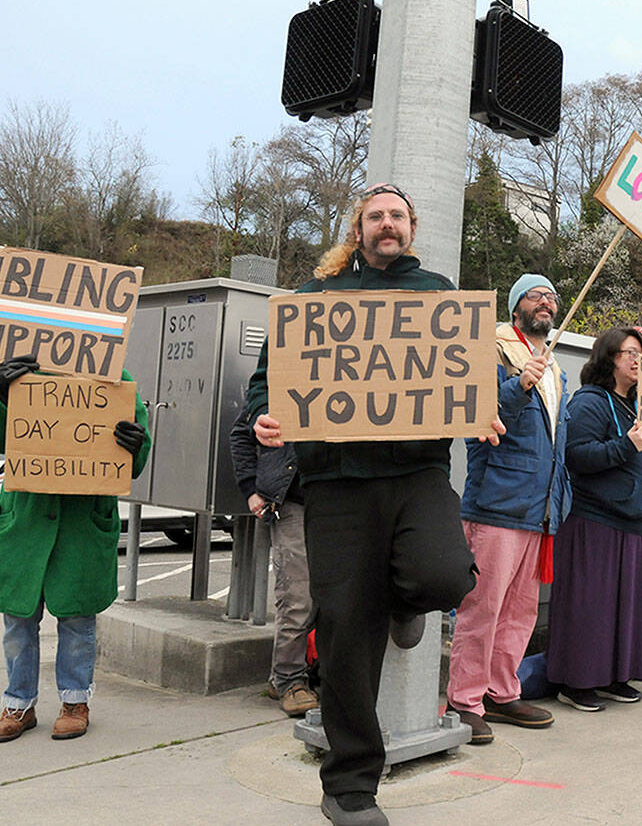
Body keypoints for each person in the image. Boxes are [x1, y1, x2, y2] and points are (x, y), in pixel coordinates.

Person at [245, 184, 482, 826]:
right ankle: (350, 788)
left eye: (397, 215)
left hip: (418, 472)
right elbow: (266, 383)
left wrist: (482, 406)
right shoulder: (313, 303)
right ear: (358, 228)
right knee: (346, 631)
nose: (387, 224)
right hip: (337, 483)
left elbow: (469, 373)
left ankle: (404, 602)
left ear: (411, 227)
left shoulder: (438, 293)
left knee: (443, 574)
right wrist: (266, 417)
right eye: (375, 215)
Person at [0, 356, 150, 744]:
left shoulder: (116, 380)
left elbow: (134, 460)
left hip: (81, 526)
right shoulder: (24, 375)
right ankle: (18, 704)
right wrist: (1, 393)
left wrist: (136, 444)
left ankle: (75, 702)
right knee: (18, 624)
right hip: (25, 523)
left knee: (77, 623)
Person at [447, 273, 570, 745]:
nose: (546, 302)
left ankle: (501, 689)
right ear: (517, 307)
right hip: (498, 503)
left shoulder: (553, 367)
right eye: (536, 295)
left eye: (552, 297)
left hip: (538, 509)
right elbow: (475, 417)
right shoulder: (491, 350)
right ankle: (465, 699)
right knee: (483, 608)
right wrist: (517, 386)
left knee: (519, 611)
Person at [547, 326, 642, 712]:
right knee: (593, 609)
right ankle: (577, 683)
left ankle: (615, 676)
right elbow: (577, 456)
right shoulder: (590, 402)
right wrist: (626, 444)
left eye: (641, 353)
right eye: (629, 353)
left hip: (639, 526)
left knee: (627, 611)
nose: (638, 360)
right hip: (598, 523)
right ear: (609, 359)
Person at [229, 410, 317, 718]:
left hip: (337, 501)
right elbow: (241, 433)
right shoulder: (279, 380)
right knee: (297, 597)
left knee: (328, 596)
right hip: (293, 502)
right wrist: (250, 489)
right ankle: (288, 680)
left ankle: (294, 676)